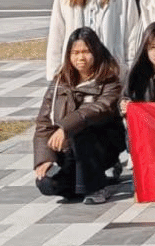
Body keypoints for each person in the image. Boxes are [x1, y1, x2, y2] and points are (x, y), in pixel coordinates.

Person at [34, 27, 126, 205]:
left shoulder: (109, 80)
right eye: (75, 53)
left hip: (102, 147)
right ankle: (83, 182)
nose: (80, 58)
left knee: (81, 132)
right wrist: (44, 159)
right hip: (69, 154)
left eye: (86, 52)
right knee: (46, 184)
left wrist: (65, 128)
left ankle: (96, 187)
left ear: (96, 52)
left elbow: (98, 109)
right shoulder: (60, 82)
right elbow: (43, 123)